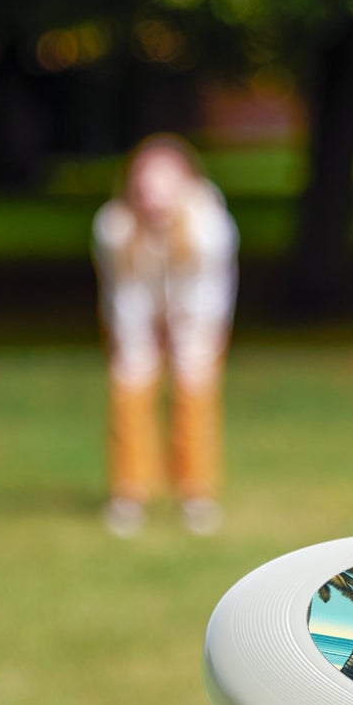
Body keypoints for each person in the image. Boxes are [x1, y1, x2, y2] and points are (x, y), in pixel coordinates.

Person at [92, 134, 239, 537]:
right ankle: (129, 493)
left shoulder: (210, 226)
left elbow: (210, 293)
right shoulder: (114, 226)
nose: (153, 194)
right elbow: (123, 293)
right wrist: (139, 342)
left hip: (197, 319)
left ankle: (196, 494)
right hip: (136, 318)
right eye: (145, 183)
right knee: (129, 390)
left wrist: (186, 336)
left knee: (194, 394)